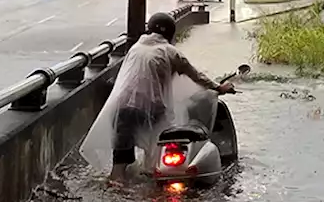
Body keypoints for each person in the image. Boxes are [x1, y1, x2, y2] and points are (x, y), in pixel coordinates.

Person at [93, 12, 233, 182]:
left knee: (120, 163)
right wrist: (219, 87)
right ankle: (154, 181)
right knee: (159, 152)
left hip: (122, 108)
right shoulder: (170, 52)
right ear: (170, 34)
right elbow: (196, 75)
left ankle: (119, 190)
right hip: (151, 109)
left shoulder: (135, 48)